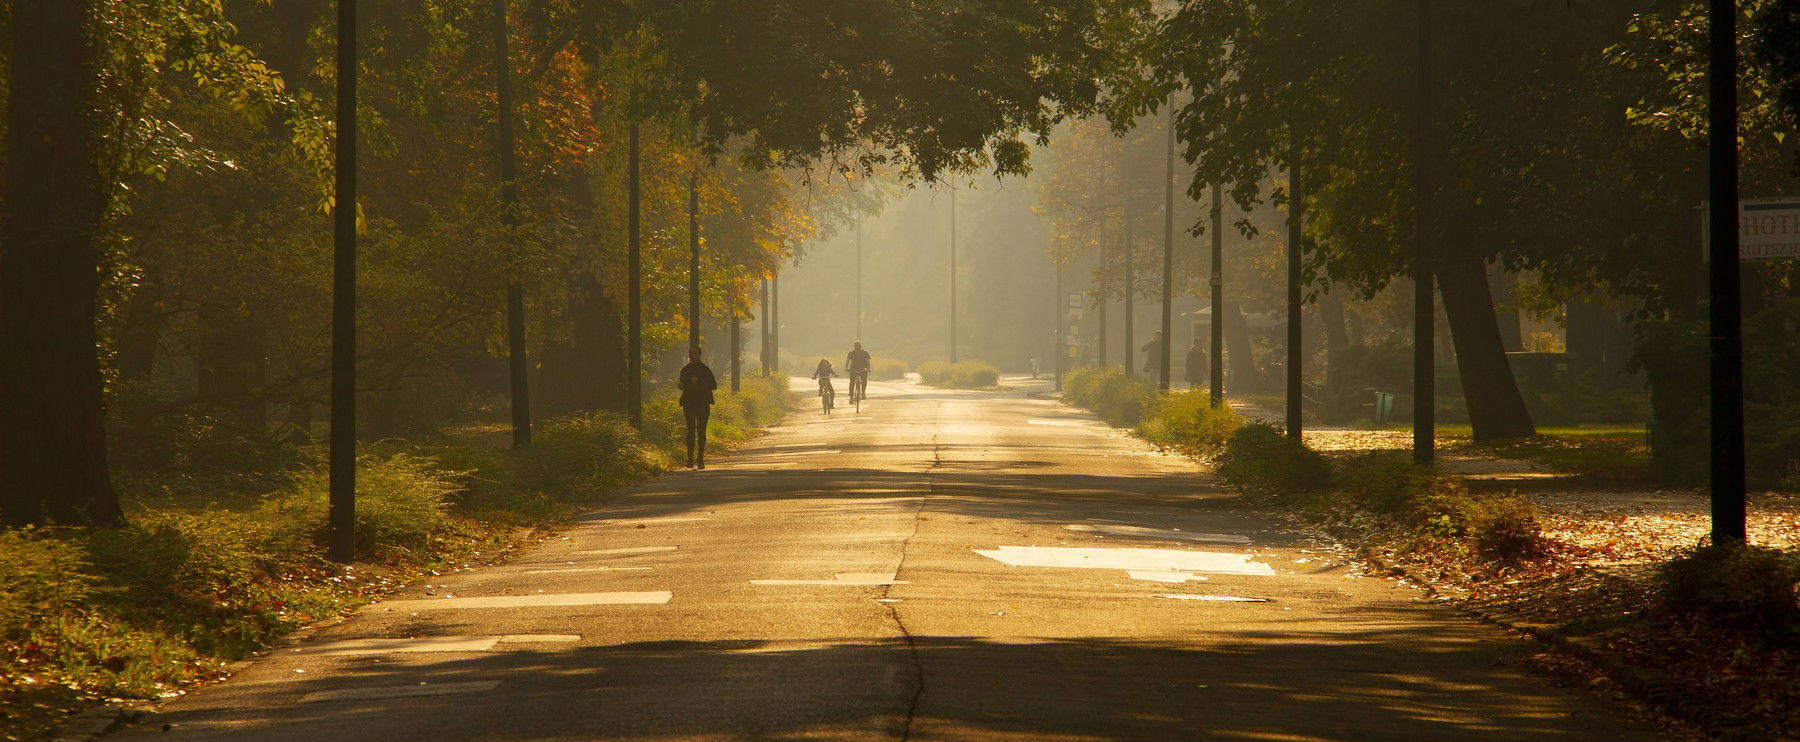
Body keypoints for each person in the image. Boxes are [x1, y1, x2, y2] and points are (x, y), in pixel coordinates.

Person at [678, 345, 717, 469]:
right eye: (691, 353)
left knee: (701, 431)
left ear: (699, 355)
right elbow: (682, 383)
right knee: (690, 431)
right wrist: (681, 385)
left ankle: (700, 459)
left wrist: (699, 382)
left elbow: (713, 385)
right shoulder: (685, 369)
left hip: (702, 403)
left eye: (695, 353)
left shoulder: (705, 370)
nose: (692, 355)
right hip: (689, 403)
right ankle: (690, 459)